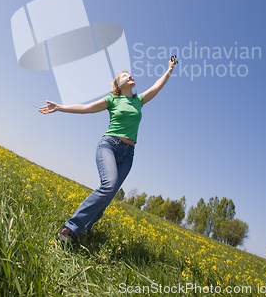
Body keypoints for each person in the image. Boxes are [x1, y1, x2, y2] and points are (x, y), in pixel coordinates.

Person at [39, 58, 176, 245]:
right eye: (124, 75)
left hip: (128, 154)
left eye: (129, 74)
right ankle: (69, 228)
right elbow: (87, 108)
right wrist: (61, 107)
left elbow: (157, 86)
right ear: (118, 85)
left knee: (108, 195)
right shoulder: (113, 99)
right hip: (109, 146)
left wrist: (169, 70)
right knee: (109, 186)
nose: (129, 75)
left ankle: (85, 231)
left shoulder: (138, 100)